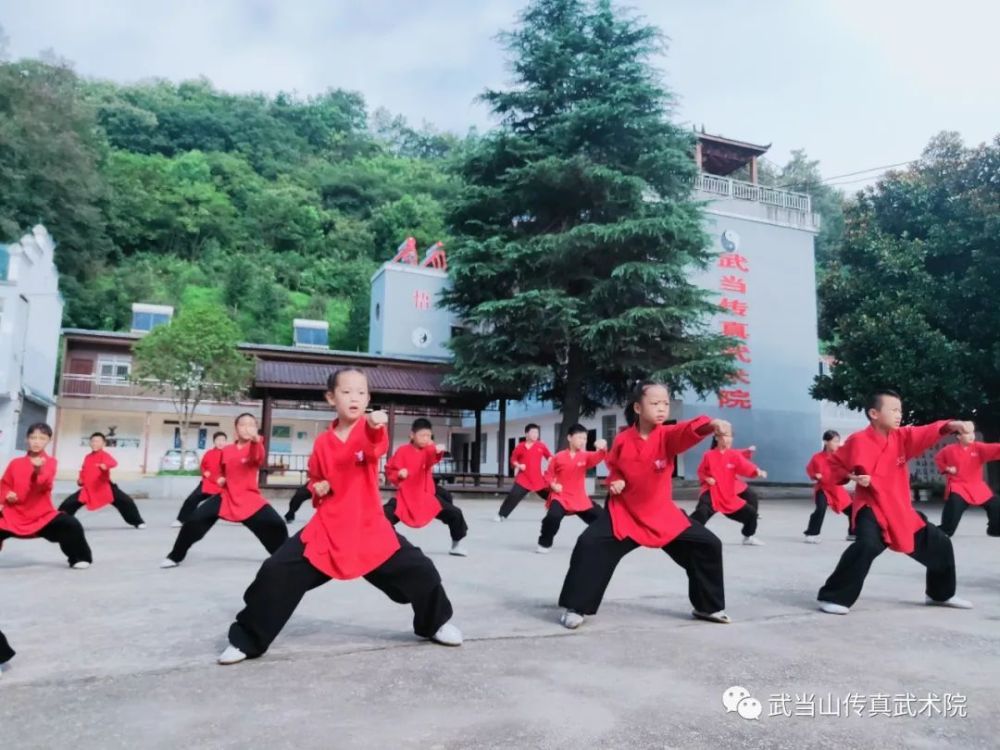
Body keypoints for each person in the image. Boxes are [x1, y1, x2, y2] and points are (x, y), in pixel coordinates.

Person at [217, 369, 461, 665]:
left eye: (361, 392)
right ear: (331, 397)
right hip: (328, 528)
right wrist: (318, 486)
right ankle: (247, 639)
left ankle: (433, 624)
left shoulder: (370, 430)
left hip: (368, 526)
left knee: (422, 571)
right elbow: (316, 477)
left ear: (368, 398)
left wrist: (374, 426)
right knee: (275, 571)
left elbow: (376, 447)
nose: (354, 397)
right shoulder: (322, 443)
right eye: (346, 392)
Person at [557, 381, 732, 630]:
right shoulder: (622, 439)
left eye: (665, 403)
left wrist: (712, 425)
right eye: (655, 403)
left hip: (661, 513)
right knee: (590, 544)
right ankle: (576, 607)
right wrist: (614, 480)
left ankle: (707, 606)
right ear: (638, 407)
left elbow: (687, 430)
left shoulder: (668, 436)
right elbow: (614, 467)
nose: (662, 408)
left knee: (708, 545)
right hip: (624, 512)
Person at [816, 389, 975, 615]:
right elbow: (834, 467)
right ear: (874, 413)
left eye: (900, 410)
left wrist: (953, 424)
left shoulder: (902, 438)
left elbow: (928, 431)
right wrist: (851, 477)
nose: (899, 414)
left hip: (899, 508)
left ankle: (940, 594)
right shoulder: (858, 441)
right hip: (871, 507)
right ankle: (832, 596)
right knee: (867, 545)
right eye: (893, 410)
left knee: (940, 544)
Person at [160, 414, 287, 568]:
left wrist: (255, 441)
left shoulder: (256, 446)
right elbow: (219, 470)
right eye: (243, 424)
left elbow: (257, 457)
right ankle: (175, 556)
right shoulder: (227, 450)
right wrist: (220, 478)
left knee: (276, 524)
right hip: (226, 497)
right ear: (236, 429)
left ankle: (285, 558)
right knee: (194, 520)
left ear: (256, 429)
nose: (247, 428)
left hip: (249, 498)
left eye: (251, 425)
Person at [0, 423, 93, 569]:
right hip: (14, 514)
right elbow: (3, 485)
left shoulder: (50, 462)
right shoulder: (15, 463)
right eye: (33, 437)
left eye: (42, 438)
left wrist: (37, 470)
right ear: (27, 439)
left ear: (48, 441)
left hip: (41, 516)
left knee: (70, 524)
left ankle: (79, 557)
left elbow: (44, 485)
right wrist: (7, 494)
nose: (37, 442)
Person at [384, 418, 469, 556]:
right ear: (412, 435)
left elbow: (431, 458)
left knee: (455, 513)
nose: (425, 439)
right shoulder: (402, 451)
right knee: (384, 515)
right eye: (422, 435)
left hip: (426, 494)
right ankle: (381, 544)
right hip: (406, 494)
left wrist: (437, 450)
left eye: (428, 436)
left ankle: (456, 545)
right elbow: (390, 469)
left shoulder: (428, 450)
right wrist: (399, 473)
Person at [535, 424, 607, 553]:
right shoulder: (558, 457)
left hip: (579, 498)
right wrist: (553, 485)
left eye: (585, 439)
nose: (583, 441)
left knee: (602, 518)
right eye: (579, 437)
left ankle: (604, 543)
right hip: (561, 496)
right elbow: (548, 475)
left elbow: (598, 457)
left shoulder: (586, 456)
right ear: (569, 437)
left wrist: (602, 447)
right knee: (553, 517)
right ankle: (544, 543)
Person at [690, 431, 767, 545]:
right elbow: (701, 471)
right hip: (712, 491)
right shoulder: (708, 455)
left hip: (727, 493)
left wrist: (756, 471)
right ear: (716, 438)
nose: (728, 439)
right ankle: (687, 535)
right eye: (725, 436)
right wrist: (707, 478)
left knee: (751, 514)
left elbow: (745, 466)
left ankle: (748, 537)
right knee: (702, 511)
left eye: (730, 436)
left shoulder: (734, 455)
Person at [59, 432, 145, 528]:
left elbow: (113, 462)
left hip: (105, 487)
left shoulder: (104, 455)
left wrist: (105, 466)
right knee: (68, 504)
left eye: (97, 441)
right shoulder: (87, 457)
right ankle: (59, 523)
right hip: (88, 488)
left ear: (103, 444)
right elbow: (83, 470)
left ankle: (138, 522)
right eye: (93, 441)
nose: (95, 443)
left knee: (126, 501)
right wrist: (80, 480)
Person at [934, 431, 1000, 537]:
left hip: (977, 485)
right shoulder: (949, 450)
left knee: (996, 504)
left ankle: (995, 529)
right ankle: (944, 531)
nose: (971, 436)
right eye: (967, 433)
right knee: (954, 505)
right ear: (958, 436)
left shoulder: (979, 447)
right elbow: (938, 459)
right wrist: (947, 468)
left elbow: (995, 448)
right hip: (958, 485)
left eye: (972, 433)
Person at [803, 430, 854, 543]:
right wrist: (815, 475)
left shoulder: (840, 457)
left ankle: (852, 533)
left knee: (853, 509)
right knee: (820, 508)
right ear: (826, 442)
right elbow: (810, 469)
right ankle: (811, 533)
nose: (837, 444)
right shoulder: (817, 457)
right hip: (823, 489)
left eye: (838, 441)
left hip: (837, 488)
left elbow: (847, 469)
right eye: (835, 441)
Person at [495, 424, 552, 521]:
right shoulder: (520, 447)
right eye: (533, 432)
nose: (535, 435)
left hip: (537, 479)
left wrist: (553, 461)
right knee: (513, 495)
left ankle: (556, 514)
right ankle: (501, 515)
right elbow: (513, 459)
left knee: (551, 496)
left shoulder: (541, 446)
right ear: (526, 434)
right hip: (523, 478)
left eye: (537, 432)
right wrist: (519, 465)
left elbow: (549, 457)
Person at [171, 431, 227, 528]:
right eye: (218, 440)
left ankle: (248, 519)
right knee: (191, 499)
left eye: (223, 440)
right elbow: (202, 466)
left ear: (226, 442)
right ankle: (181, 520)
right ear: (214, 441)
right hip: (208, 483)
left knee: (235, 502)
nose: (220, 442)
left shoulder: (228, 454)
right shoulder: (209, 453)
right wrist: (204, 472)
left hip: (221, 484)